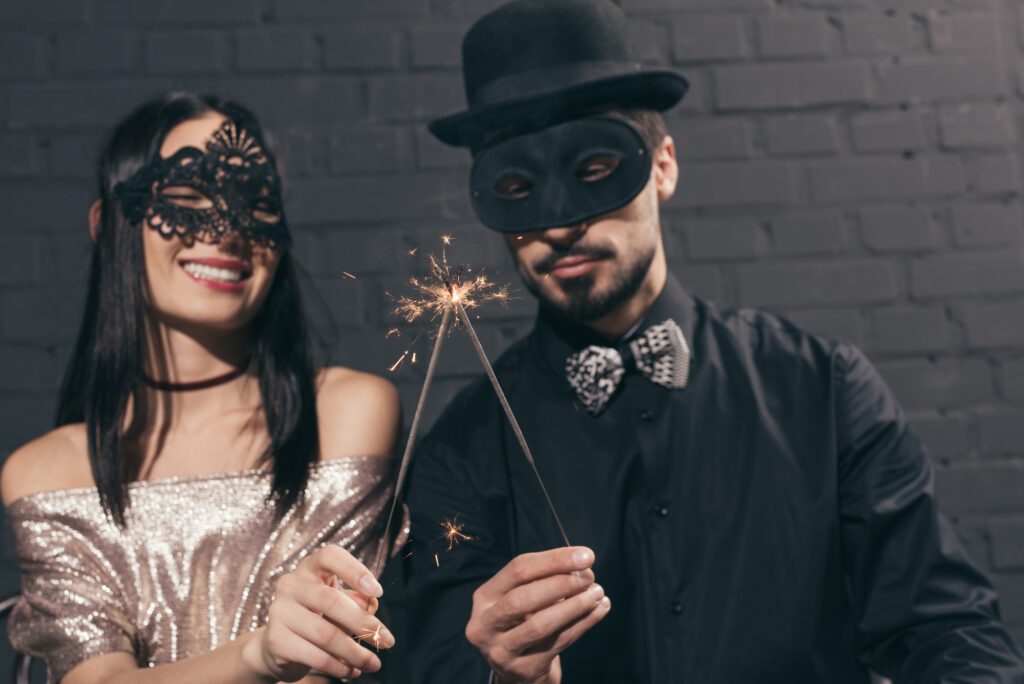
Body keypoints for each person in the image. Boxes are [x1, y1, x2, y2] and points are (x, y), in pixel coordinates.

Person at [402, 1, 1024, 682]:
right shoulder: (460, 452)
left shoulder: (824, 389)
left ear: (662, 167)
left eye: (592, 172)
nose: (560, 223)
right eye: (518, 187)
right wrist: (499, 675)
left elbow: (947, 633)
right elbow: (434, 665)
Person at [1, 92, 404, 683]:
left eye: (254, 202)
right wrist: (259, 654)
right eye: (187, 199)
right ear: (107, 224)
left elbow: (329, 664)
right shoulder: (48, 470)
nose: (227, 231)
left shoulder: (344, 411)